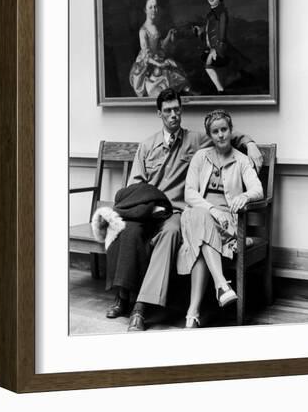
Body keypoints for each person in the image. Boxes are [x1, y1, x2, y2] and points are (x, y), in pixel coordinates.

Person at [109, 87, 263, 331]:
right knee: (128, 230)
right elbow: (134, 186)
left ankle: (142, 307)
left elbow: (225, 135)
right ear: (159, 113)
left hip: (176, 213)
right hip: (148, 209)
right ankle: (122, 295)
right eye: (168, 111)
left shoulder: (195, 140)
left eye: (177, 110)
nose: (174, 115)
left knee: (170, 234)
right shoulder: (147, 145)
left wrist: (250, 143)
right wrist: (146, 208)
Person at [176, 110, 263, 328]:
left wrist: (244, 195)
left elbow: (258, 190)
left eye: (224, 130)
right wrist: (212, 210)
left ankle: (192, 313)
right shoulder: (200, 157)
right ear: (210, 135)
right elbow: (189, 194)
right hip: (200, 215)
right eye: (215, 132)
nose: (221, 135)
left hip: (226, 224)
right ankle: (221, 284)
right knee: (199, 216)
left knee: (201, 241)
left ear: (231, 131)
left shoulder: (242, 160)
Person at [129, 0, 190, 97]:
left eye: (155, 7)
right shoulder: (143, 31)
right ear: (145, 10)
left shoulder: (155, 26)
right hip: (147, 63)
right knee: (163, 78)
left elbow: (160, 46)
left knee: (177, 71)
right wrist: (159, 64)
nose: (154, 10)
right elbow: (146, 56)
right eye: (150, 7)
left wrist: (168, 36)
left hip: (157, 57)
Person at [193, 0, 230, 94]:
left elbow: (222, 34)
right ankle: (221, 86)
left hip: (219, 48)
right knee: (206, 61)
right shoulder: (211, 14)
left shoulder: (222, 13)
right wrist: (201, 29)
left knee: (208, 65)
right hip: (212, 47)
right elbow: (210, 28)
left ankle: (221, 90)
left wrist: (216, 50)